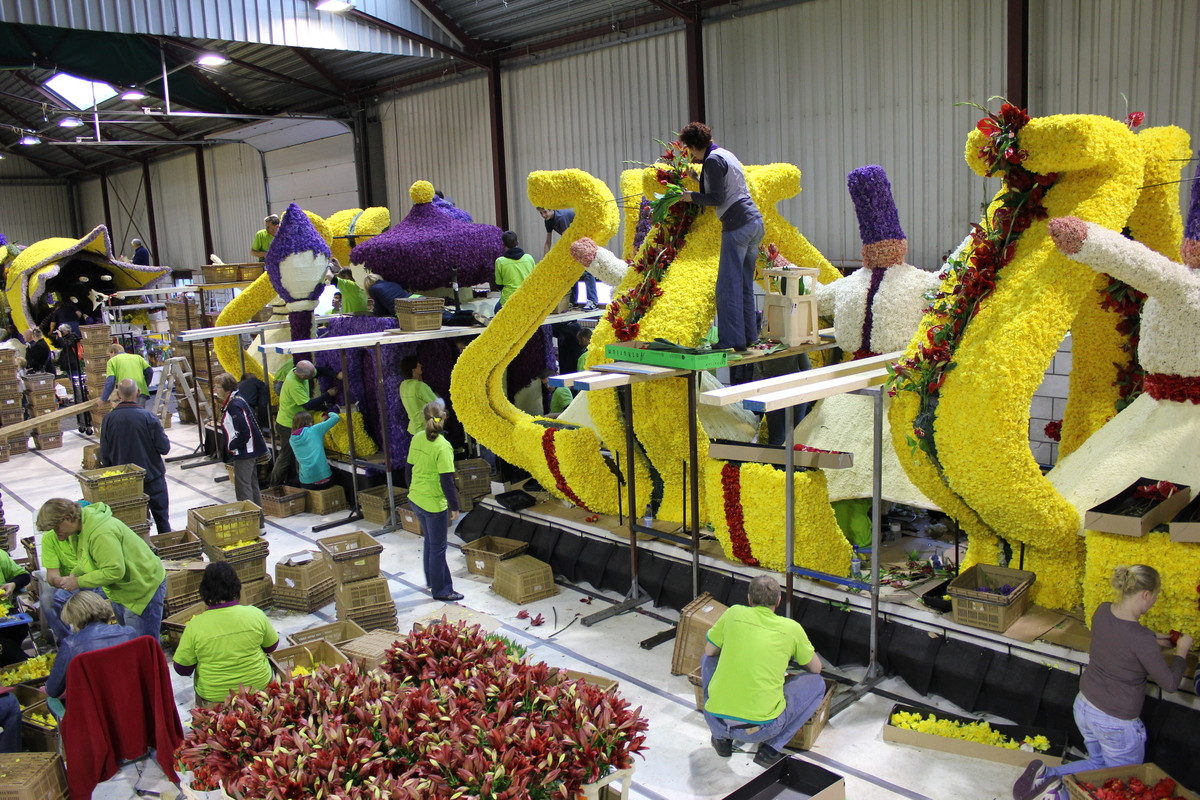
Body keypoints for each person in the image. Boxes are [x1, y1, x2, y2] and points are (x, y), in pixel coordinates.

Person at [1013, 565, 1191, 800]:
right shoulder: (1141, 640)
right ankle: (1058, 794)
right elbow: (1169, 683)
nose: (1155, 601)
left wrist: (1153, 637)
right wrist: (1182, 652)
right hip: (1115, 722)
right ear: (1146, 594)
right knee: (1121, 783)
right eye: (1156, 595)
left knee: (1098, 764)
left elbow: (1121, 635)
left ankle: (1047, 776)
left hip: (1085, 705)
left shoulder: (1103, 610)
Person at [702, 575, 827, 768]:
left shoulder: (733, 613)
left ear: (749, 599)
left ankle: (720, 739)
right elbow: (816, 668)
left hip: (715, 719)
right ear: (779, 601)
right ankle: (770, 750)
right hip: (761, 729)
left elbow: (709, 651)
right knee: (817, 684)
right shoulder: (791, 628)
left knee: (708, 659)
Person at [679, 122, 764, 381]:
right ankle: (748, 337)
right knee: (744, 284)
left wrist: (689, 196)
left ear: (693, 145)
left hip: (737, 225)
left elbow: (716, 198)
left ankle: (729, 340)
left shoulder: (712, 161)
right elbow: (725, 187)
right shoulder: (725, 154)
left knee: (727, 286)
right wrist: (697, 180)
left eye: (689, 149)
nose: (690, 154)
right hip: (754, 222)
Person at [35, 498, 167, 639]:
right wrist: (75, 574)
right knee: (128, 640)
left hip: (143, 587)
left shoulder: (100, 532)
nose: (57, 535)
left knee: (142, 644)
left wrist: (78, 582)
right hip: (121, 590)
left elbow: (114, 571)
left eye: (56, 528)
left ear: (67, 518)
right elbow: (87, 558)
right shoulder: (78, 529)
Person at [172, 562, 279, 708]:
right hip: (258, 691)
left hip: (215, 699)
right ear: (236, 586)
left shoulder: (195, 626)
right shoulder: (255, 614)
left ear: (204, 590)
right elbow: (271, 646)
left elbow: (182, 668)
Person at [407, 398, 462, 602]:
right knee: (438, 547)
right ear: (444, 417)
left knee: (430, 541)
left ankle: (432, 579)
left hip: (416, 498)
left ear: (424, 418)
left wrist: (413, 489)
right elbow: (447, 480)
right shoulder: (443, 446)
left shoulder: (417, 438)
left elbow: (408, 468)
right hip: (433, 504)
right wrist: (454, 506)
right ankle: (442, 590)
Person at [99, 379, 171, 533]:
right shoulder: (148, 417)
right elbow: (164, 448)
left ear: (119, 395)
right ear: (138, 393)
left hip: (125, 481)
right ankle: (167, 545)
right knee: (162, 520)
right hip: (152, 477)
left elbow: (104, 454)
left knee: (135, 525)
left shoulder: (108, 420)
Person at [43, 591, 138, 699]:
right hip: (133, 697)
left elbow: (53, 690)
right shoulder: (129, 633)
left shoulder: (71, 645)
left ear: (73, 619)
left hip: (98, 703)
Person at [269, 360, 338, 488]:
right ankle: (273, 486)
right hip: (288, 423)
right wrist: (328, 395)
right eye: (310, 376)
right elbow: (308, 405)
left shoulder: (301, 371)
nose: (313, 377)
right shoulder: (293, 384)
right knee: (286, 456)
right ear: (302, 376)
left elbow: (319, 371)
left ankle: (295, 483)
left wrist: (336, 375)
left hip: (297, 420)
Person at [215, 372, 267, 508]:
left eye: (218, 387)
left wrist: (232, 445)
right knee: (252, 485)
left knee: (243, 489)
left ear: (227, 389)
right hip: (248, 450)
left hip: (244, 452)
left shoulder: (234, 404)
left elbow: (244, 431)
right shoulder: (236, 400)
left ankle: (250, 517)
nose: (215, 390)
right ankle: (258, 518)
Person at [540, 206, 597, 309]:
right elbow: (548, 242)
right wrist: (545, 260)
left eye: (545, 212)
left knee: (587, 271)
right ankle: (573, 301)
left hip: (584, 239)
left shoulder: (561, 217)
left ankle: (592, 300)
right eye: (541, 213)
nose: (543, 215)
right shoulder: (548, 220)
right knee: (571, 271)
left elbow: (566, 240)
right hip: (573, 241)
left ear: (552, 209)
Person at [289, 410, 340, 490]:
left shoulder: (292, 439)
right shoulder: (314, 430)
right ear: (309, 421)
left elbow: (308, 434)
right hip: (326, 480)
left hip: (306, 483)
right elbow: (336, 418)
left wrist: (320, 424)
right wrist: (328, 412)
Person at [493, 231, 536, 312]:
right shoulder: (529, 258)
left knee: (496, 309)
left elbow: (499, 285)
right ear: (518, 243)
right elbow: (534, 279)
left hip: (508, 300)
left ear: (503, 245)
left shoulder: (500, 261)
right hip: (527, 299)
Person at [0, 549, 30, 666]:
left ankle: (8, 664)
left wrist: (13, 584)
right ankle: (24, 663)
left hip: (3, 609)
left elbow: (24, 576)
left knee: (20, 628)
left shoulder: (1, 556)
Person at [399, 356, 437, 437]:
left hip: (413, 429)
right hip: (426, 429)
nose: (420, 365)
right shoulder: (420, 386)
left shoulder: (403, 385)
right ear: (413, 370)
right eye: (418, 364)